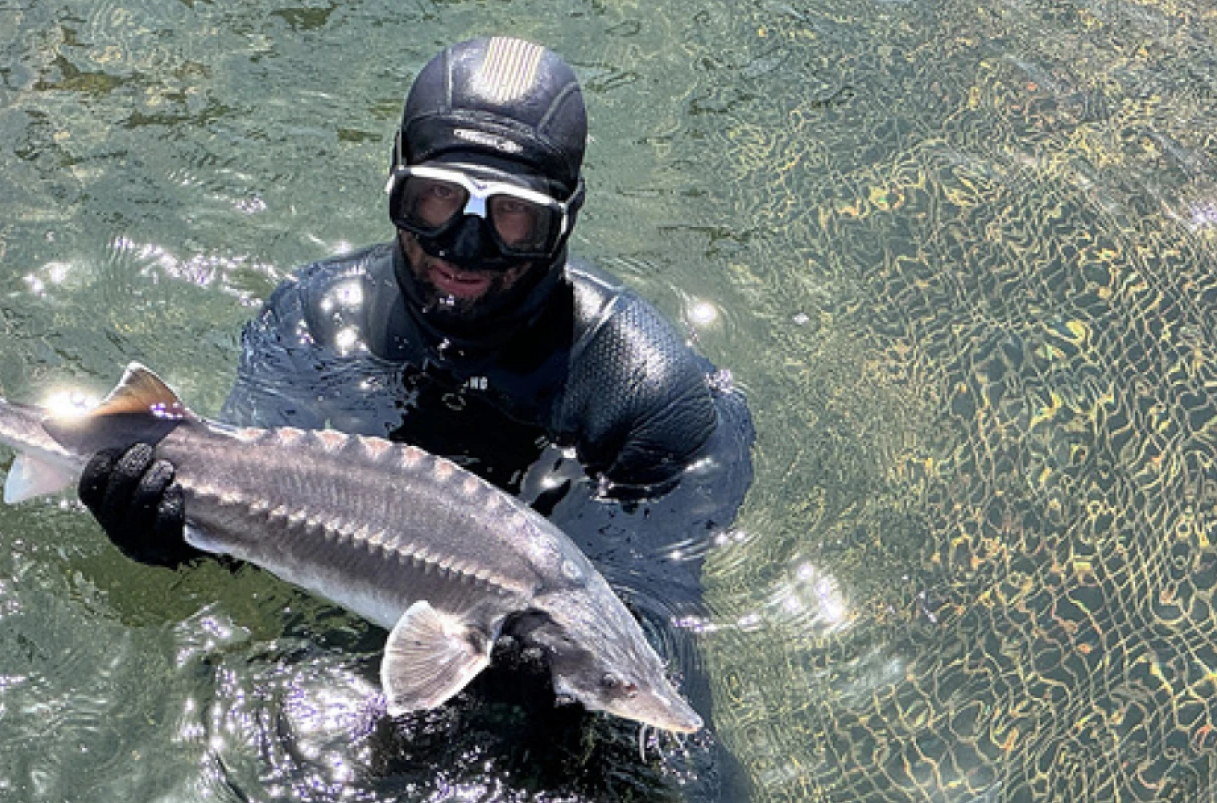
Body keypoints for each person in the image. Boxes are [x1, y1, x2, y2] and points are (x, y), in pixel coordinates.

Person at [81, 36, 754, 628]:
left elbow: (657, 632)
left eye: (514, 216)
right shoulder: (315, 318)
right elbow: (260, 538)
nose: (463, 247)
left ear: (567, 219)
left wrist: (547, 701)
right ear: (396, 180)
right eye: (437, 197)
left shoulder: (642, 396)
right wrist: (174, 537)